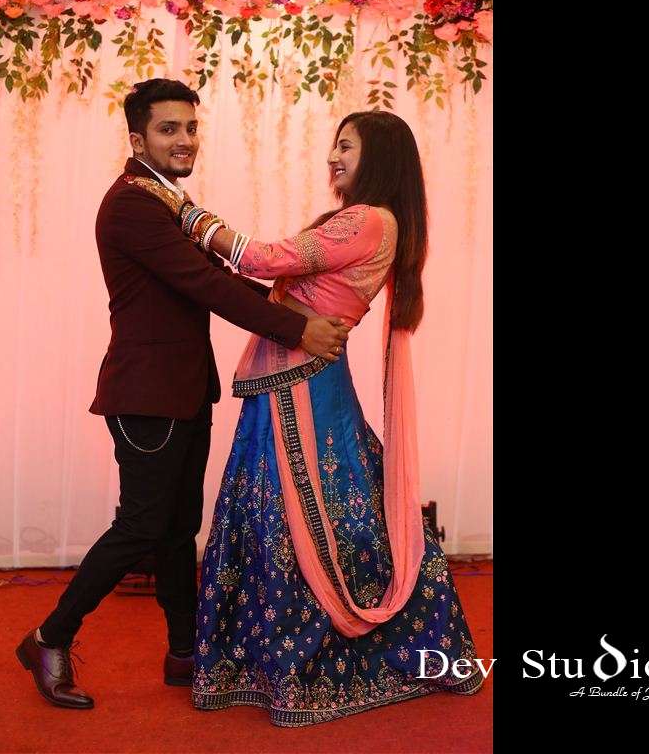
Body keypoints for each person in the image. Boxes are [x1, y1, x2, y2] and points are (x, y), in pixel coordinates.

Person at [135, 110, 486, 726]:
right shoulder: (367, 221)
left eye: (346, 146)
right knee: (287, 512)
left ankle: (306, 662)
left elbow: (264, 258)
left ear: (378, 157)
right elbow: (274, 277)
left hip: (303, 389)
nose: (333, 157)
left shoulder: (368, 220)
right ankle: (266, 661)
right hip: (291, 382)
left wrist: (184, 212)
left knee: (306, 515)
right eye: (334, 144)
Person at [15, 78, 351, 710]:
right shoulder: (132, 204)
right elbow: (206, 285)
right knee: (141, 527)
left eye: (191, 128)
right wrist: (297, 328)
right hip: (147, 397)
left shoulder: (167, 199)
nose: (184, 140)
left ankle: (184, 653)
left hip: (184, 392)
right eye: (168, 129)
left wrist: (295, 307)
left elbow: (217, 277)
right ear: (137, 138)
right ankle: (48, 639)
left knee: (177, 531)